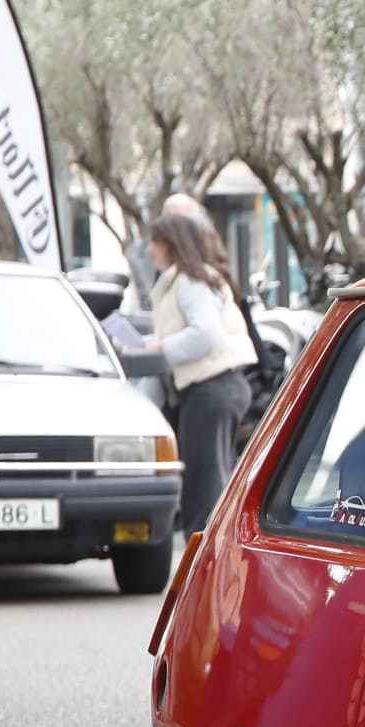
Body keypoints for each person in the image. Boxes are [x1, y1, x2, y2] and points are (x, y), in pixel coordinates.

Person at [139, 211, 259, 533]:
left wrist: (160, 349)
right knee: (207, 480)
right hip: (214, 388)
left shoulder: (189, 280)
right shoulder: (188, 279)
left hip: (211, 388)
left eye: (155, 242)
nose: (149, 250)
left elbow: (205, 334)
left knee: (202, 487)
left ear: (170, 244)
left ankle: (203, 568)